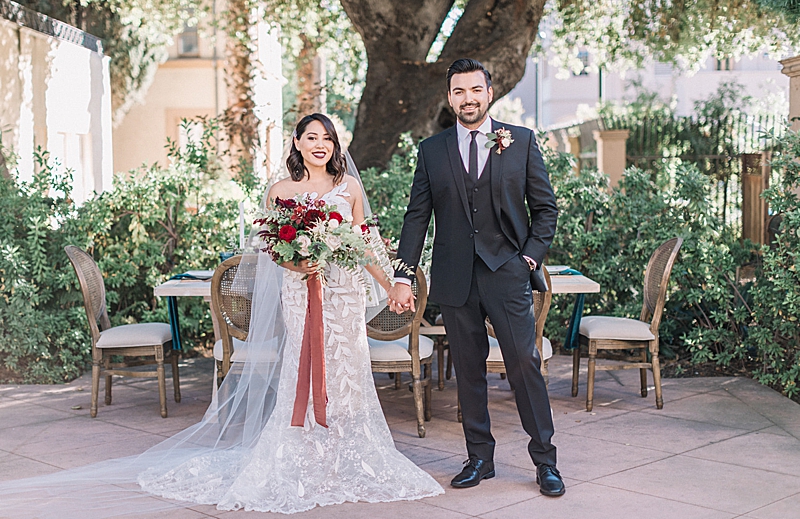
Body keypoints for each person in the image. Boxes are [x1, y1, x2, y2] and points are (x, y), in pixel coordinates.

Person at [0, 114, 443, 517]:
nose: (320, 144)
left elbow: (366, 244)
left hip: (343, 294)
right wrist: (298, 264)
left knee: (347, 368)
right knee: (302, 364)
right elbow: (273, 249)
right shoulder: (280, 191)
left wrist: (392, 283)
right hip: (300, 291)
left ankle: (347, 452)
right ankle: (304, 449)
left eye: (327, 138)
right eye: (311, 137)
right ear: (297, 142)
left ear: (335, 145)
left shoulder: (349, 189)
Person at [387, 59, 565, 496]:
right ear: (450, 98)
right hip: (455, 277)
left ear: (489, 93)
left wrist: (528, 260)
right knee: (468, 371)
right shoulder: (432, 150)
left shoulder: (521, 141)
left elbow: (545, 209)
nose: (468, 99)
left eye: (475, 90)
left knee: (524, 364)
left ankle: (545, 461)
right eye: (459, 91)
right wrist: (403, 276)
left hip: (507, 272)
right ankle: (480, 458)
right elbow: (417, 218)